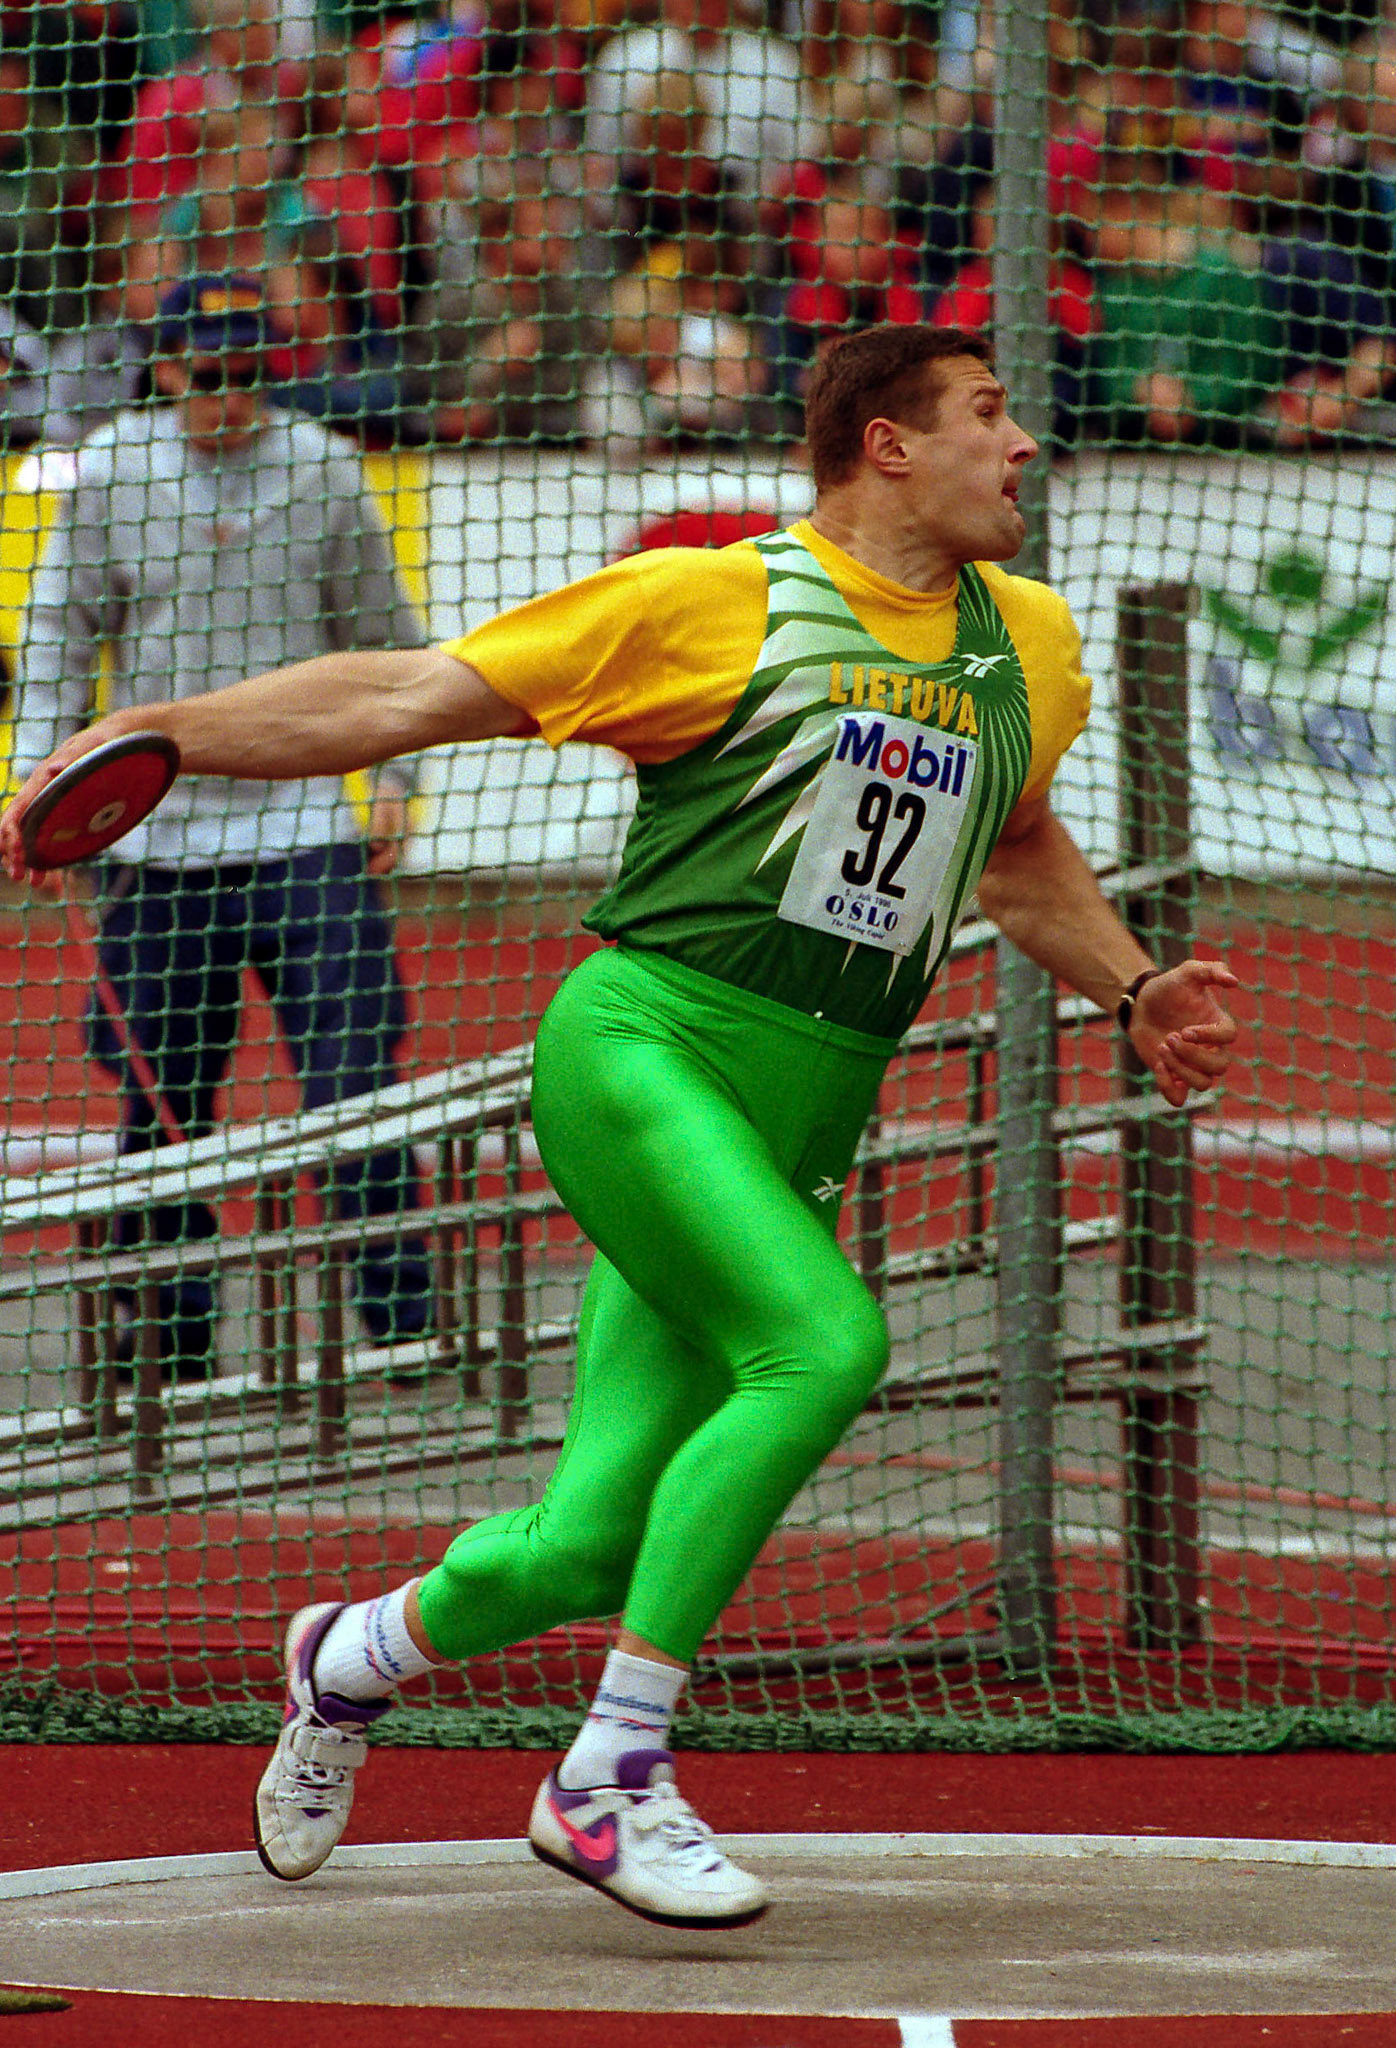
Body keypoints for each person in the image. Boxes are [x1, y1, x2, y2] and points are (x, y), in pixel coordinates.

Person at [0, 325, 1240, 1924]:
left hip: (801, 1109)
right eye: (988, 414)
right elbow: (401, 691)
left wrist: (1131, 984)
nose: (1024, 446)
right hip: (644, 1045)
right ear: (886, 446)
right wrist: (156, 733)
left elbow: (1012, 853)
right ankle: (611, 1774)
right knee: (824, 1347)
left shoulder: (1035, 643)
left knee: (586, 1547)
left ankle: (347, 1658)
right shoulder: (710, 602)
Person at [7, 273, 435, 1379]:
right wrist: (36, 792)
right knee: (162, 1101)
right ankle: (173, 1338)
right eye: (208, 375)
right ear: (163, 370)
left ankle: (403, 1322)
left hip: (305, 825)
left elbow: (388, 640)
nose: (231, 398)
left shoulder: (324, 467)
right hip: (151, 842)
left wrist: (394, 781)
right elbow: (57, 638)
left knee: (356, 1078)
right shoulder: (110, 470)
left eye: (251, 374)